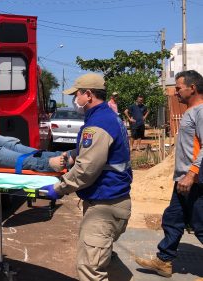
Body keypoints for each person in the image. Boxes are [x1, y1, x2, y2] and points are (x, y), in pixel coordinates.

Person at [40, 73, 132, 281]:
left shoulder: (98, 123)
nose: (75, 100)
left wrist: (59, 188)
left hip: (104, 206)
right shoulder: (108, 118)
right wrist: (71, 155)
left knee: (90, 269)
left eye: (77, 95)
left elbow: (86, 171)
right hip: (114, 202)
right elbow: (99, 154)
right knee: (105, 260)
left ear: (88, 95)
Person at [135, 70, 203, 278]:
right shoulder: (192, 111)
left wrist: (191, 174)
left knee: (200, 225)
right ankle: (164, 260)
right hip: (183, 180)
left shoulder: (201, 112)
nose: (175, 92)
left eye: (178, 87)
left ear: (192, 88)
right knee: (172, 219)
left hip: (195, 180)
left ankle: (164, 258)